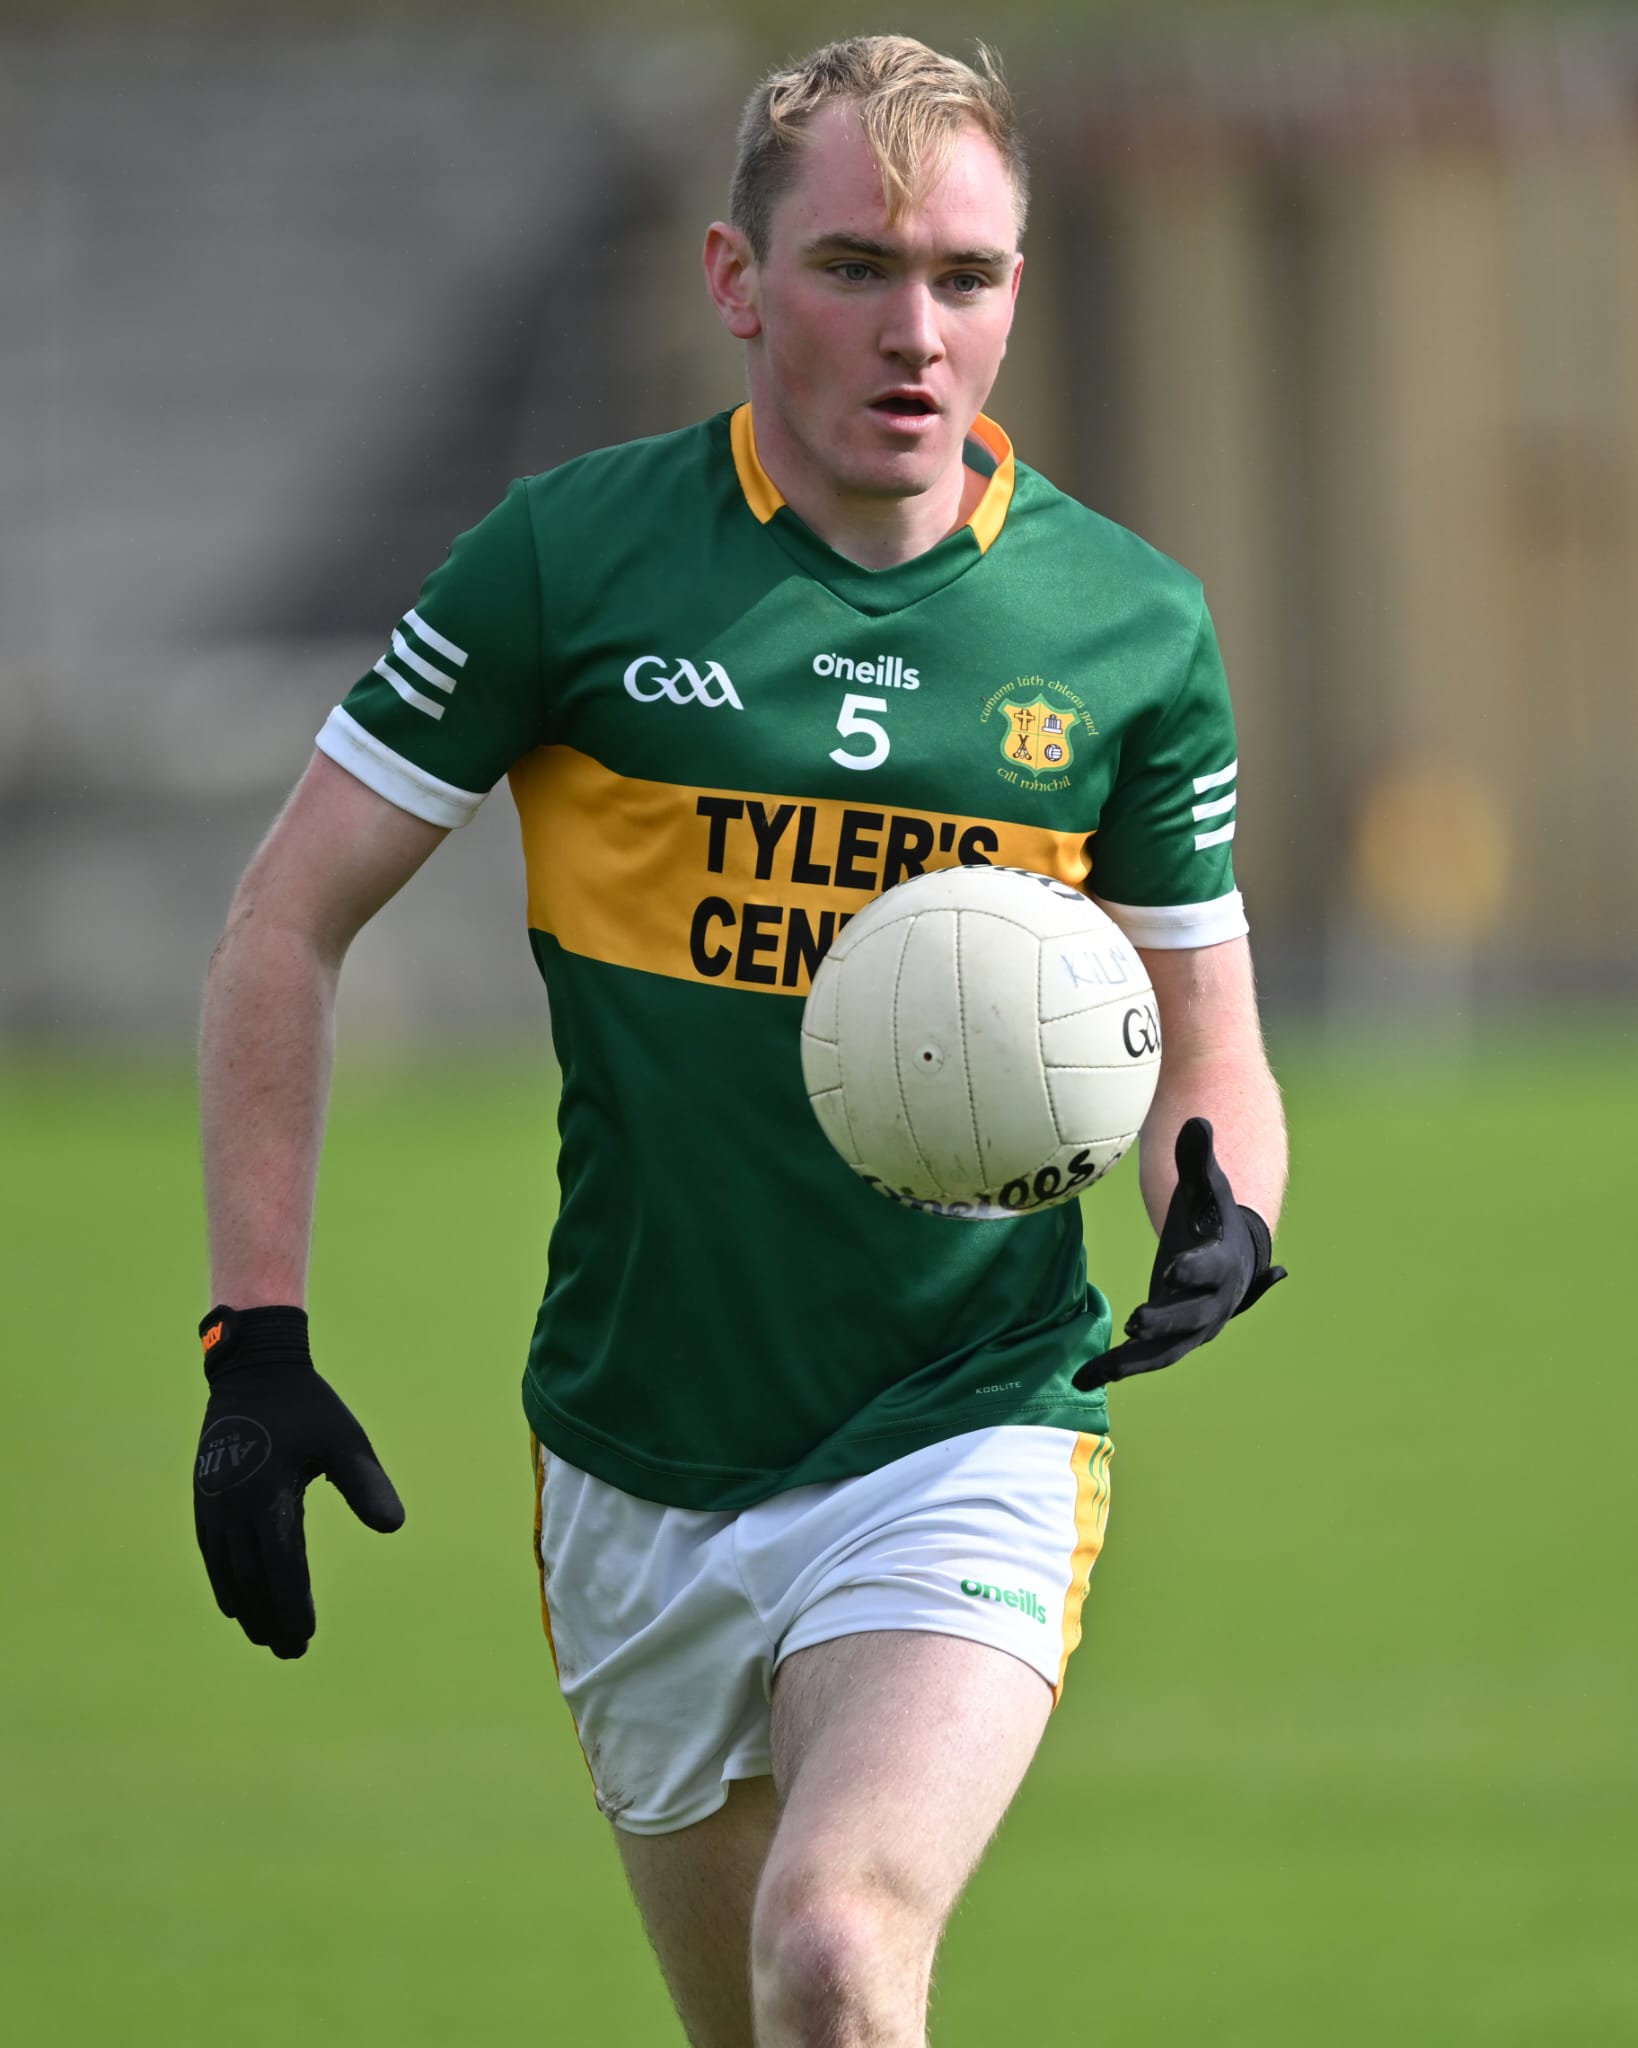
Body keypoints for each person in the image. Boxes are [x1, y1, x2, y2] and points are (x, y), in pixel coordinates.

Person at [193, 34, 1287, 2048]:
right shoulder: (568, 560)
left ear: (1018, 287)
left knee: (838, 1952)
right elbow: (287, 917)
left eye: (965, 274)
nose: (916, 330)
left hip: (969, 1416)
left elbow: (1212, 1052)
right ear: (735, 278)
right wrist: (252, 1337)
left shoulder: (1126, 629)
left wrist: (1220, 1203)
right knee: (760, 2020)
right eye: (856, 265)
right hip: (639, 1453)